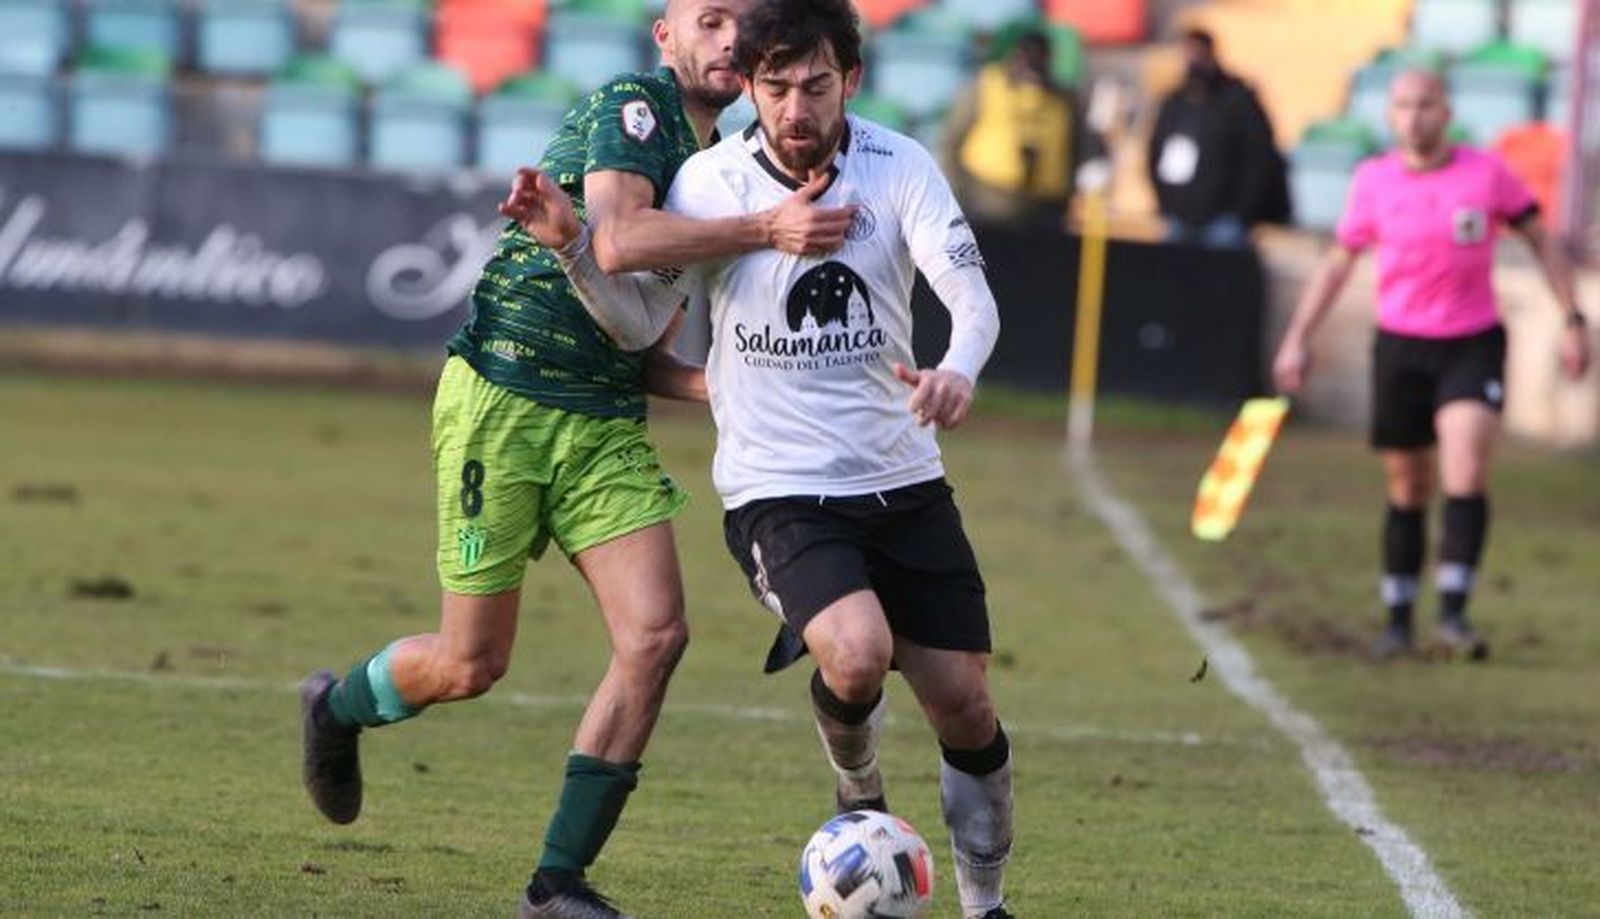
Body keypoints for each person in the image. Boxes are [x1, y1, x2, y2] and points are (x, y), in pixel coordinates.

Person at [296, 0, 856, 915]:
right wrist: (764, 232)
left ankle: (556, 883)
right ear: (664, 36)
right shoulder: (635, 107)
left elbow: (634, 330)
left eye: (740, 25)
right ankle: (337, 707)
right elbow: (620, 241)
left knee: (657, 638)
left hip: (600, 419)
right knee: (471, 664)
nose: (725, 40)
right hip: (503, 400)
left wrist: (729, 386)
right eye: (706, 21)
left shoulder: (725, 170)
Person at [500, 0, 1016, 914]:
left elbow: (970, 299)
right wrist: (577, 249)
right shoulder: (708, 184)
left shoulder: (900, 166)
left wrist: (955, 372)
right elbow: (634, 323)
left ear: (849, 80)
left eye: (815, 86)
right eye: (774, 89)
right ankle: (857, 784)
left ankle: (986, 903)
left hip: (905, 477)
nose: (795, 110)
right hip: (779, 489)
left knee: (966, 706)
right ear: (750, 85)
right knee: (855, 654)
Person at [1272, 69, 1591, 660]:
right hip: (1400, 346)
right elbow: (1338, 262)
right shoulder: (1373, 181)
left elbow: (1541, 239)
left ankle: (1453, 615)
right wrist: (1298, 336)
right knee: (1408, 483)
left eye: (1425, 105)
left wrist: (1573, 317)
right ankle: (1398, 617)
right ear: (1391, 116)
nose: (1414, 116)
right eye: (1402, 106)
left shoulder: (1486, 173)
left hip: (1471, 342)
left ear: (1446, 112)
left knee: (1464, 466)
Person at [1147, 28, 1287, 247]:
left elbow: (1257, 157)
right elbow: (1156, 151)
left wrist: (1243, 210)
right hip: (1179, 214)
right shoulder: (1176, 100)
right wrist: (1166, 203)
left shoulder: (1237, 99)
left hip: (1224, 219)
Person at [941, 28, 1088, 228]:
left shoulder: (1064, 101)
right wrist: (959, 194)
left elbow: (1075, 150)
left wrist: (1067, 199)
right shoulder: (985, 86)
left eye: (1040, 56)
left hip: (1046, 209)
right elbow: (951, 141)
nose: (1032, 63)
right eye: (1027, 53)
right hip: (987, 202)